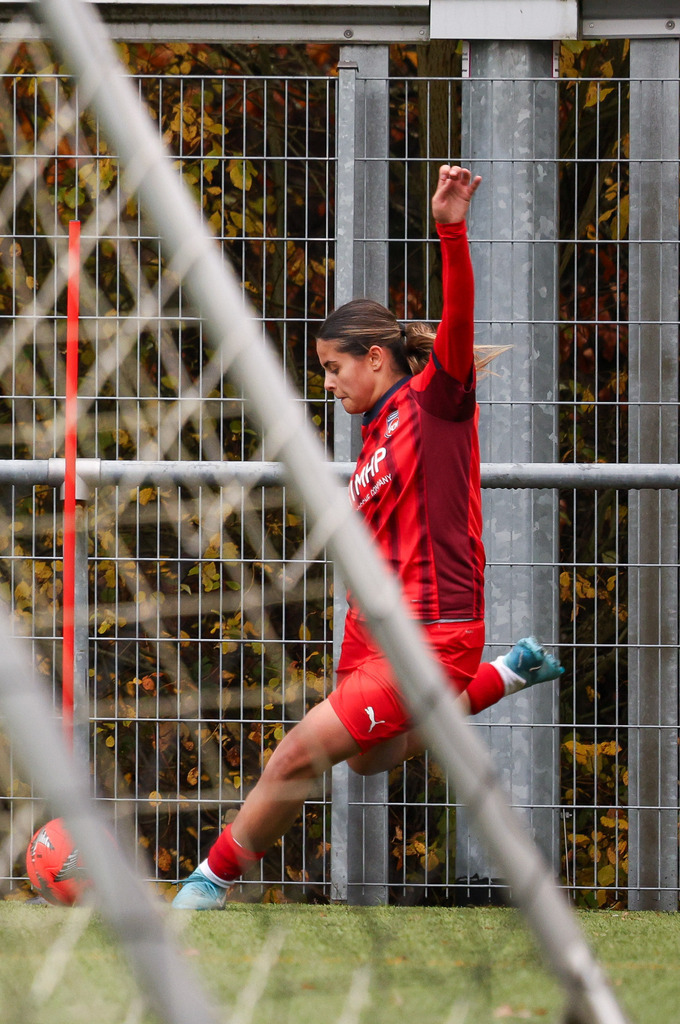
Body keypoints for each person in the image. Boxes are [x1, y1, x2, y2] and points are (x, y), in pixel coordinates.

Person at [173, 164, 564, 911]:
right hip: (373, 628)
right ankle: (507, 673)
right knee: (371, 760)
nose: (327, 383)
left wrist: (450, 228)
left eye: (333, 368)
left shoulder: (437, 402)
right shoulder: (378, 428)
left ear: (376, 359)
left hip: (433, 633)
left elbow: (459, 319)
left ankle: (206, 885)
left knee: (296, 755)